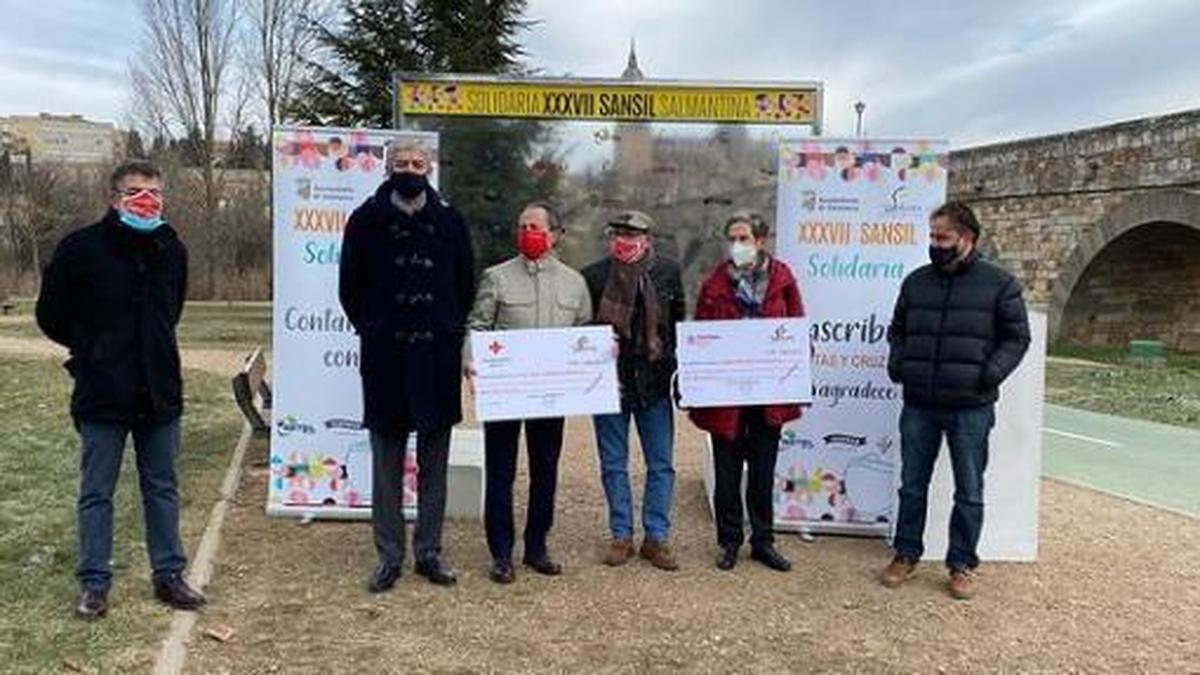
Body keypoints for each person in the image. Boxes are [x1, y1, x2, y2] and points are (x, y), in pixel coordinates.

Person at [36, 159, 205, 620]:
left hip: (159, 392)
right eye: (135, 192)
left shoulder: (172, 248)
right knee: (97, 491)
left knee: (162, 487)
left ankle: (169, 575)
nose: (146, 200)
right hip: (102, 392)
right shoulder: (79, 249)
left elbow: (171, 311)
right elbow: (50, 315)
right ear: (116, 197)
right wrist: (94, 349)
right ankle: (94, 583)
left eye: (153, 191)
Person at [338, 142, 475, 592]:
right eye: (402, 165)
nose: (411, 171)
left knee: (435, 464)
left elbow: (465, 284)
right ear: (387, 168)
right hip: (386, 360)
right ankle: (389, 556)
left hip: (436, 358)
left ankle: (430, 553)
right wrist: (377, 328)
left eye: (418, 164)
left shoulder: (451, 221)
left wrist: (446, 328)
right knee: (386, 465)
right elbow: (349, 289)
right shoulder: (364, 220)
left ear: (430, 168)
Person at [881, 200, 1030, 600]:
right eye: (932, 236)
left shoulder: (1000, 284)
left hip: (971, 407)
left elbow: (1017, 338)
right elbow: (898, 330)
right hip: (919, 404)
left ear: (967, 238)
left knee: (969, 489)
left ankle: (961, 563)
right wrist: (899, 364)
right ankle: (906, 553)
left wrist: (989, 374)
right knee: (912, 485)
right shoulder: (915, 282)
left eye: (942, 237)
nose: (935, 243)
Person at [464, 202, 592, 584]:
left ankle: (537, 546)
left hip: (551, 394)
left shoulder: (575, 283)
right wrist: (472, 361)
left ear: (556, 234)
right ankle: (501, 553)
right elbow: (478, 325)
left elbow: (583, 334)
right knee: (501, 471)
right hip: (507, 391)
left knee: (545, 470)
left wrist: (594, 362)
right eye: (522, 226)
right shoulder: (496, 277)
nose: (528, 233)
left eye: (536, 226)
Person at [689, 210, 804, 573]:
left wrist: (796, 364)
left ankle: (763, 541)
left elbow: (796, 328)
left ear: (760, 241)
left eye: (744, 238)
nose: (737, 245)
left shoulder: (782, 280)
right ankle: (729, 541)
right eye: (732, 238)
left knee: (762, 470)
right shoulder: (713, 285)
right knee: (726, 472)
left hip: (768, 395)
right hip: (728, 396)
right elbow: (702, 336)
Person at [581, 211, 685, 571]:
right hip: (608, 383)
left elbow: (678, 325)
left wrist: (680, 372)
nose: (625, 239)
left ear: (648, 238)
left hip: (654, 383)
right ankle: (621, 534)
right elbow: (581, 332)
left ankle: (656, 537)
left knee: (661, 463)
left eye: (633, 233)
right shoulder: (594, 275)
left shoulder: (668, 272)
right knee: (613, 463)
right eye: (619, 233)